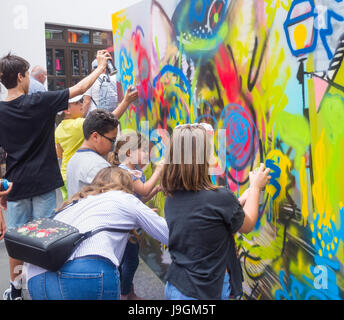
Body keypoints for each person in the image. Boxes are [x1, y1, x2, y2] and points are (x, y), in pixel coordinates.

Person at [0, 49, 113, 300]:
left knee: (17, 241)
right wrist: (100, 67)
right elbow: (80, 87)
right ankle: (44, 289)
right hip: (41, 183)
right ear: (20, 77)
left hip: (15, 184)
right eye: (28, 74)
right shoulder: (40, 102)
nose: (30, 79)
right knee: (45, 239)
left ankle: (15, 289)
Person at [161, 123, 271, 300]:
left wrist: (243, 198)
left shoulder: (172, 198)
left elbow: (211, 218)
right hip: (205, 291)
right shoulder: (220, 198)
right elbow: (248, 223)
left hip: (176, 287)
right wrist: (256, 187)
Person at [26, 166, 169, 300]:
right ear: (126, 186)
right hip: (86, 272)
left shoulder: (74, 203)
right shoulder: (123, 197)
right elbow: (169, 235)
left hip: (36, 277)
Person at [55, 81, 138, 201]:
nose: (82, 104)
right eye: (77, 103)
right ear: (94, 136)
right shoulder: (78, 125)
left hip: (67, 171)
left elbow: (59, 153)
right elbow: (108, 121)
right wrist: (126, 101)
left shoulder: (58, 129)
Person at [108, 132, 164, 299]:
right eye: (144, 150)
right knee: (131, 261)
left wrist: (158, 189)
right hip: (125, 228)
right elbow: (144, 189)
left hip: (131, 228)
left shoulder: (137, 171)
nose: (148, 154)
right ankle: (124, 294)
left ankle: (125, 291)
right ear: (129, 153)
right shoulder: (126, 172)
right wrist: (159, 170)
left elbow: (142, 197)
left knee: (125, 260)